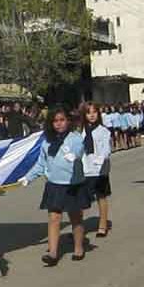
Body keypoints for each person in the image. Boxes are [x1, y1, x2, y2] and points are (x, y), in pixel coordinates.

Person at [19, 106, 89, 266]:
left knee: (76, 217)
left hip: (73, 184)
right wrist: (28, 178)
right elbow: (41, 164)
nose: (58, 124)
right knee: (54, 218)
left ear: (68, 121)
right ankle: (52, 252)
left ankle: (78, 247)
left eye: (62, 120)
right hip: (54, 185)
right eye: (55, 121)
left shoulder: (75, 138)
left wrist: (75, 156)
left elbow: (80, 150)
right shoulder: (47, 142)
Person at [80, 103, 113, 237]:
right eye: (88, 112)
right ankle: (78, 229)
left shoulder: (103, 131)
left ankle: (102, 225)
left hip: (99, 170)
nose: (92, 115)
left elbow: (106, 148)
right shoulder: (80, 131)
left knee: (101, 197)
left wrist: (102, 157)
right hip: (84, 169)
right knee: (80, 201)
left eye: (94, 112)